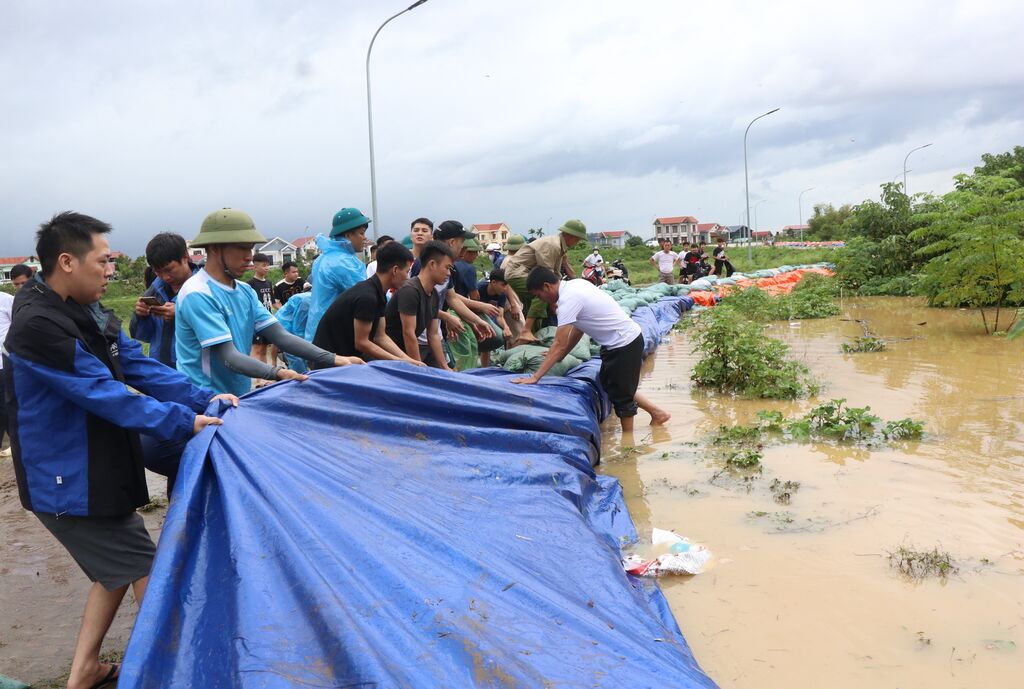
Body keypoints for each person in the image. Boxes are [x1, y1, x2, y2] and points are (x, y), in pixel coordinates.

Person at [4, 211, 237, 689]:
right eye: (104, 260)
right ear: (66, 262)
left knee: (116, 570)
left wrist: (204, 399)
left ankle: (86, 670)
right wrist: (183, 421)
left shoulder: (88, 310)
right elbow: (103, 393)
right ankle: (175, 672)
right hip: (67, 478)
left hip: (95, 467)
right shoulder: (37, 326)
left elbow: (137, 365)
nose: (111, 270)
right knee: (146, 567)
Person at [176, 208, 363, 396]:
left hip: (236, 395)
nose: (249, 256)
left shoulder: (245, 291)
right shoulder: (198, 294)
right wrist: (278, 372)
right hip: (203, 398)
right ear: (215, 248)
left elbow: (281, 336)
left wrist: (336, 359)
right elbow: (229, 357)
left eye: (250, 247)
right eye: (241, 248)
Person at [512, 266, 671, 432]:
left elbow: (558, 343)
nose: (542, 299)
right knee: (612, 385)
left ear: (547, 286)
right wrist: (563, 354)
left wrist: (535, 377)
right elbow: (578, 329)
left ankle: (628, 446)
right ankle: (657, 413)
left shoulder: (568, 300)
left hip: (624, 343)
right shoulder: (575, 284)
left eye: (539, 295)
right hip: (616, 343)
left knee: (622, 397)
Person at [313, 242, 424, 365]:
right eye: (407, 271)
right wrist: (400, 361)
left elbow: (380, 336)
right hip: (328, 364)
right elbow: (362, 343)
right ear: (395, 270)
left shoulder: (378, 293)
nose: (408, 277)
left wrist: (409, 360)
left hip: (348, 360)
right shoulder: (367, 297)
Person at [502, 219, 587, 344]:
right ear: (570, 236)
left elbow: (556, 274)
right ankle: (526, 331)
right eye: (578, 239)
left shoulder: (560, 247)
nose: (577, 242)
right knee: (542, 295)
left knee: (538, 307)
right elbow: (546, 277)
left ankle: (531, 339)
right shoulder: (553, 245)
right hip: (517, 273)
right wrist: (554, 301)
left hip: (527, 273)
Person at [129, 233, 199, 367]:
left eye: (169, 270)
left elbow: (218, 333)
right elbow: (141, 335)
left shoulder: (203, 288)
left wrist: (180, 314)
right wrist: (141, 315)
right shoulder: (155, 289)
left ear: (185, 258)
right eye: (158, 272)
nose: (165, 277)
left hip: (194, 371)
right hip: (161, 369)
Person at [305, 207, 372, 341]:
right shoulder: (343, 262)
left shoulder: (324, 258)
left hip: (318, 330)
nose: (365, 238)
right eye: (361, 233)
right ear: (348, 235)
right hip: (334, 335)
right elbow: (367, 296)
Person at [385, 241, 453, 369]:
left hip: (405, 356)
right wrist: (417, 368)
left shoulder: (434, 294)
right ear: (432, 264)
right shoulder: (410, 290)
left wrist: (445, 367)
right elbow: (408, 333)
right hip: (390, 357)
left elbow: (433, 335)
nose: (449, 273)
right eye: (447, 267)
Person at [247, 253, 275, 365]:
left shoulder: (269, 283)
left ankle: (264, 377)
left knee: (263, 349)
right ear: (255, 267)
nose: (266, 268)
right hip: (256, 321)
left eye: (268, 265)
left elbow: (272, 303)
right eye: (264, 265)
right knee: (256, 349)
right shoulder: (250, 284)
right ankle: (258, 378)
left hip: (267, 320)